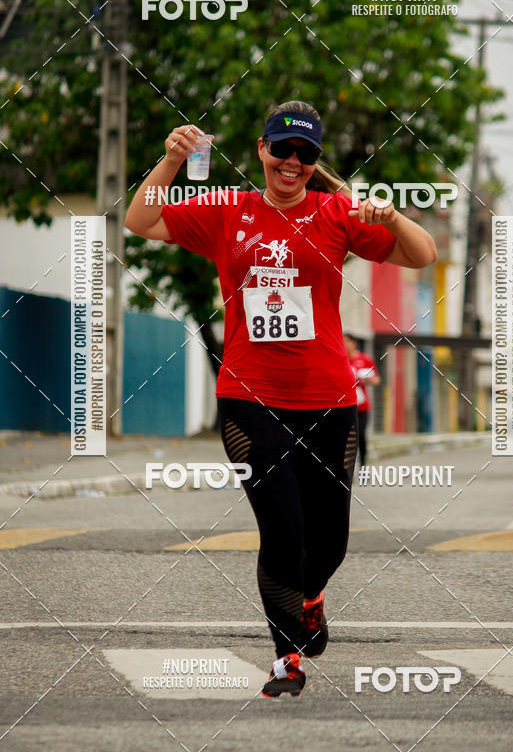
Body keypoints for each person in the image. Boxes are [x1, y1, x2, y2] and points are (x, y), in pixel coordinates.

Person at [124, 100, 437, 698]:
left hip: (329, 399)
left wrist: (392, 217)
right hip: (250, 398)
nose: (292, 161)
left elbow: (422, 254)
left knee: (330, 541)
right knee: (283, 531)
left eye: (305, 153)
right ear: (262, 150)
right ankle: (286, 658)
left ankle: (312, 597)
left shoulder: (337, 212)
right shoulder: (227, 209)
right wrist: (170, 161)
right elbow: (142, 220)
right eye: (282, 149)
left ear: (315, 160)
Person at [343, 333, 380, 467]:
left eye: (346, 341)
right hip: (344, 405)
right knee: (345, 438)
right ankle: (347, 469)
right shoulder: (340, 359)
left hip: (361, 406)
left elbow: (376, 380)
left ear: (354, 343)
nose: (344, 344)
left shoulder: (365, 359)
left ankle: (363, 466)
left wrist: (366, 378)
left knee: (361, 436)